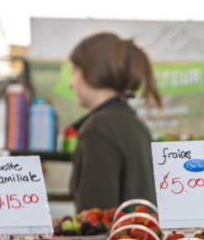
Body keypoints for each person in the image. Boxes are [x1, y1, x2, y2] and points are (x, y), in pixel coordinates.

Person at [68, 32, 160, 211]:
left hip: (115, 239)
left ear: (93, 72)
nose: (70, 83)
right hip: (141, 237)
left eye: (74, 72)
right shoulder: (135, 125)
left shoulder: (98, 130)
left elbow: (97, 220)